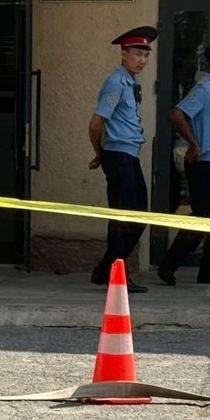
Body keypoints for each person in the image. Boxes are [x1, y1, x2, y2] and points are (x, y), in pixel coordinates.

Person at [156, 43, 210, 286]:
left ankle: (209, 270)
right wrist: (193, 143)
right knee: (201, 217)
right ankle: (168, 266)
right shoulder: (203, 89)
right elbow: (177, 114)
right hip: (203, 164)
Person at [88, 25, 158, 294]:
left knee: (138, 216)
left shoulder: (130, 82)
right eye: (137, 54)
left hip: (129, 155)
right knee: (124, 218)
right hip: (118, 156)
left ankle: (105, 269)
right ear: (124, 53)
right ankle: (116, 275)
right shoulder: (116, 82)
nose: (142, 60)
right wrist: (100, 153)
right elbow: (96, 123)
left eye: (146, 55)